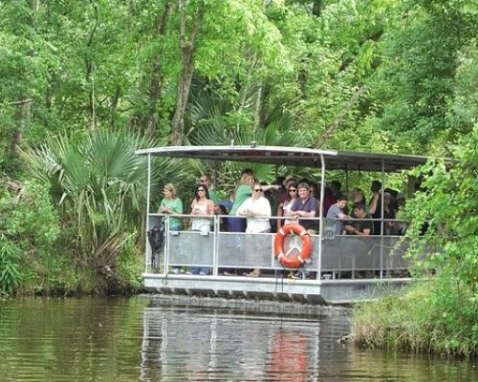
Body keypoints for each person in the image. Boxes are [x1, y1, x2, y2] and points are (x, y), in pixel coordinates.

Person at [237, 183, 272, 277]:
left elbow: (268, 215)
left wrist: (254, 214)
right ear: (252, 191)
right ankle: (255, 270)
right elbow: (238, 212)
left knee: (260, 250)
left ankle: (258, 271)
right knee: (251, 251)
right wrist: (245, 213)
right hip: (250, 229)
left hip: (262, 228)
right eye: (257, 190)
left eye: (261, 190)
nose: (259, 192)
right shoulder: (247, 201)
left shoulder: (265, 201)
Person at [189, 184, 214, 275]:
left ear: (205, 191)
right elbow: (191, 216)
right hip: (195, 226)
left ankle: (204, 269)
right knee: (195, 249)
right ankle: (194, 270)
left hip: (204, 226)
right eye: (198, 190)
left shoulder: (209, 202)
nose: (200, 192)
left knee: (205, 249)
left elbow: (212, 216)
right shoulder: (194, 201)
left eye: (202, 190)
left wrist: (203, 213)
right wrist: (193, 213)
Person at [158, 183, 183, 274]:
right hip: (164, 224)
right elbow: (159, 212)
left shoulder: (177, 201)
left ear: (172, 192)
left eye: (166, 191)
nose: (164, 192)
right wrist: (162, 210)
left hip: (174, 226)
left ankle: (177, 267)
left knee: (175, 246)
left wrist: (169, 210)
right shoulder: (163, 200)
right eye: (164, 191)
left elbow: (180, 215)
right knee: (164, 246)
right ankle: (165, 266)